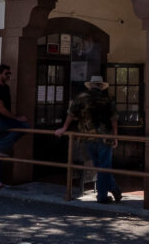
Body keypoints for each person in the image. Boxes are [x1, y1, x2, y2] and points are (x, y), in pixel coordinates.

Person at [54, 75, 122, 204]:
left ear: (90, 85)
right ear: (101, 86)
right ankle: (104, 195)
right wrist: (115, 136)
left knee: (99, 167)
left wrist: (63, 128)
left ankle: (114, 189)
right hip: (105, 137)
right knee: (104, 167)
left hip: (87, 137)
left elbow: (71, 113)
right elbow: (114, 119)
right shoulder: (108, 99)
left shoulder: (81, 98)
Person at [0, 63, 28, 188]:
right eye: (6, 73)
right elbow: (1, 108)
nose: (9, 75)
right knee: (24, 126)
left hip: (3, 121)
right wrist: (17, 117)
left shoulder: (6, 88)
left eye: (9, 73)